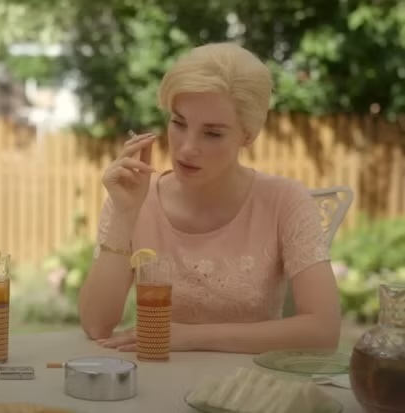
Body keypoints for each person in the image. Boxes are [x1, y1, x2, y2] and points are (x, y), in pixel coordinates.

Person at [77, 42, 342, 354]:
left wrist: (190, 338)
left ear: (248, 134)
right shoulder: (134, 197)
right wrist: (124, 214)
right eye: (178, 123)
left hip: (247, 388)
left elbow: (324, 331)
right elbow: (96, 326)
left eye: (212, 133)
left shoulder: (285, 200)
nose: (188, 147)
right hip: (156, 382)